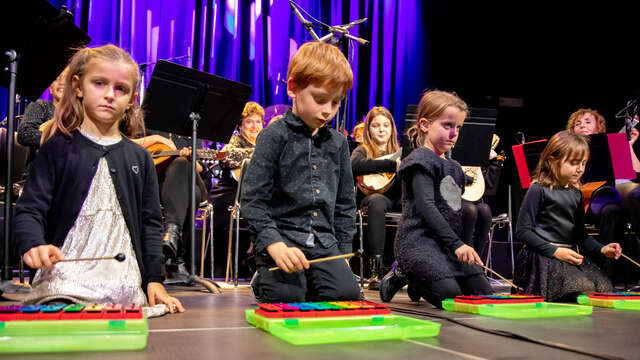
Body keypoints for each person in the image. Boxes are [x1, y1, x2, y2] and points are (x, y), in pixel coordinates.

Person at [14, 44, 184, 312]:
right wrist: (33, 243)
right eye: (100, 83)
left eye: (121, 89)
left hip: (122, 283)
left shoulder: (139, 158)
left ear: (132, 99)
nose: (109, 95)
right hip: (63, 280)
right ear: (78, 86)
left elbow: (150, 224)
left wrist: (154, 280)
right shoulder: (57, 148)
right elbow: (30, 209)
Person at [241, 41, 361, 303]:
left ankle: (316, 278)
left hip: (324, 244)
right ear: (293, 87)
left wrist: (342, 255)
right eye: (320, 99)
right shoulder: (274, 135)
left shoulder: (339, 143)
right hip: (283, 241)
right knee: (288, 299)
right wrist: (274, 244)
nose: (328, 110)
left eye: (336, 102)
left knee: (346, 295)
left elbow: (344, 205)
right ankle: (263, 278)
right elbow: (253, 200)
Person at [379, 90, 491, 307]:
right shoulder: (419, 160)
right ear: (424, 124)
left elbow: (454, 212)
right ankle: (405, 273)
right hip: (418, 243)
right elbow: (426, 206)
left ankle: (423, 278)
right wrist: (457, 245)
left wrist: (462, 247)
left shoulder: (455, 167)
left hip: (446, 246)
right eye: (447, 125)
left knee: (482, 293)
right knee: (451, 297)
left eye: (458, 127)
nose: (454, 132)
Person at [514, 130, 622, 301]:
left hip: (565, 256)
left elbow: (581, 235)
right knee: (579, 287)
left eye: (584, 163)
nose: (580, 169)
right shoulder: (538, 189)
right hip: (543, 256)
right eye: (573, 163)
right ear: (551, 161)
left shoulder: (576, 194)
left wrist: (602, 249)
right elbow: (522, 231)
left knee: (603, 287)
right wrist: (555, 251)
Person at [567, 108, 640, 282]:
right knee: (609, 211)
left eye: (587, 122)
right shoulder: (568, 149)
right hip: (581, 201)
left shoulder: (610, 146)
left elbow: (635, 175)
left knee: (612, 210)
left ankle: (611, 271)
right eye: (578, 124)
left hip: (606, 200)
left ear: (599, 128)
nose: (582, 126)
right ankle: (600, 271)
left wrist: (627, 145)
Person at [133, 130, 210, 281]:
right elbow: (127, 143)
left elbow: (200, 167)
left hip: (191, 178)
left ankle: (172, 231)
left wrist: (189, 159)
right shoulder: (150, 122)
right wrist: (155, 138)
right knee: (192, 194)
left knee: (183, 164)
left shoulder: (191, 127)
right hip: (159, 184)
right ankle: (176, 261)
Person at [209, 101, 264, 278]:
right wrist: (259, 154)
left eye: (258, 121)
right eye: (249, 122)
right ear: (240, 126)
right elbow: (227, 157)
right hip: (229, 194)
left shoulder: (264, 142)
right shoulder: (234, 141)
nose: (255, 126)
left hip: (256, 196)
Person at [350, 106, 401, 289]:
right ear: (368, 129)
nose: (381, 129)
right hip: (371, 199)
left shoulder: (401, 152)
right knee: (377, 201)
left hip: (397, 201)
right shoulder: (362, 150)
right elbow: (354, 165)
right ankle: (375, 273)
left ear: (392, 129)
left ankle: (409, 269)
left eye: (386, 125)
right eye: (376, 125)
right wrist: (390, 165)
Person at [17, 67, 68, 175]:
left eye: (66, 79)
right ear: (50, 88)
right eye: (56, 79)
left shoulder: (80, 114)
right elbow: (24, 134)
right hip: (40, 174)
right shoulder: (41, 106)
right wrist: (61, 140)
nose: (61, 83)